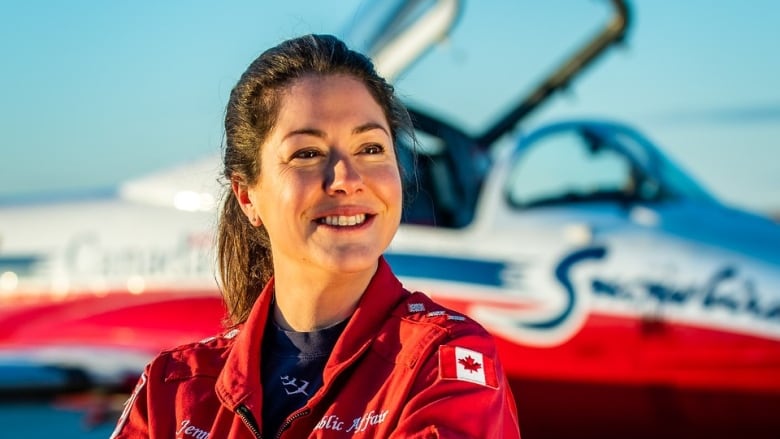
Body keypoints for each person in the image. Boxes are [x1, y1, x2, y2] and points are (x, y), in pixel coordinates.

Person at [111, 34, 521, 438]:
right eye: (307, 154)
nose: (347, 179)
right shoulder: (173, 388)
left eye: (371, 148)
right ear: (247, 196)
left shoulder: (443, 362)